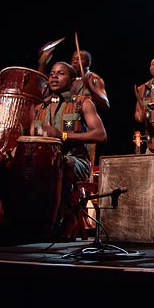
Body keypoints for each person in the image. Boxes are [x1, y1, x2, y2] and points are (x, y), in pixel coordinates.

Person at [30, 61, 107, 240]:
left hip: (77, 162)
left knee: (59, 165)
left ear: (72, 80)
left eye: (60, 73)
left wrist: (63, 135)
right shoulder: (39, 109)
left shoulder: (83, 103)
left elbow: (101, 135)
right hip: (47, 164)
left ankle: (69, 218)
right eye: (52, 73)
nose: (54, 76)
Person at [38, 43, 110, 112]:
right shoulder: (68, 79)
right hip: (66, 116)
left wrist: (91, 87)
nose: (75, 62)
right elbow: (44, 82)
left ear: (89, 63)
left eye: (79, 59)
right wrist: (43, 62)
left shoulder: (94, 78)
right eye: (73, 60)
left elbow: (105, 105)